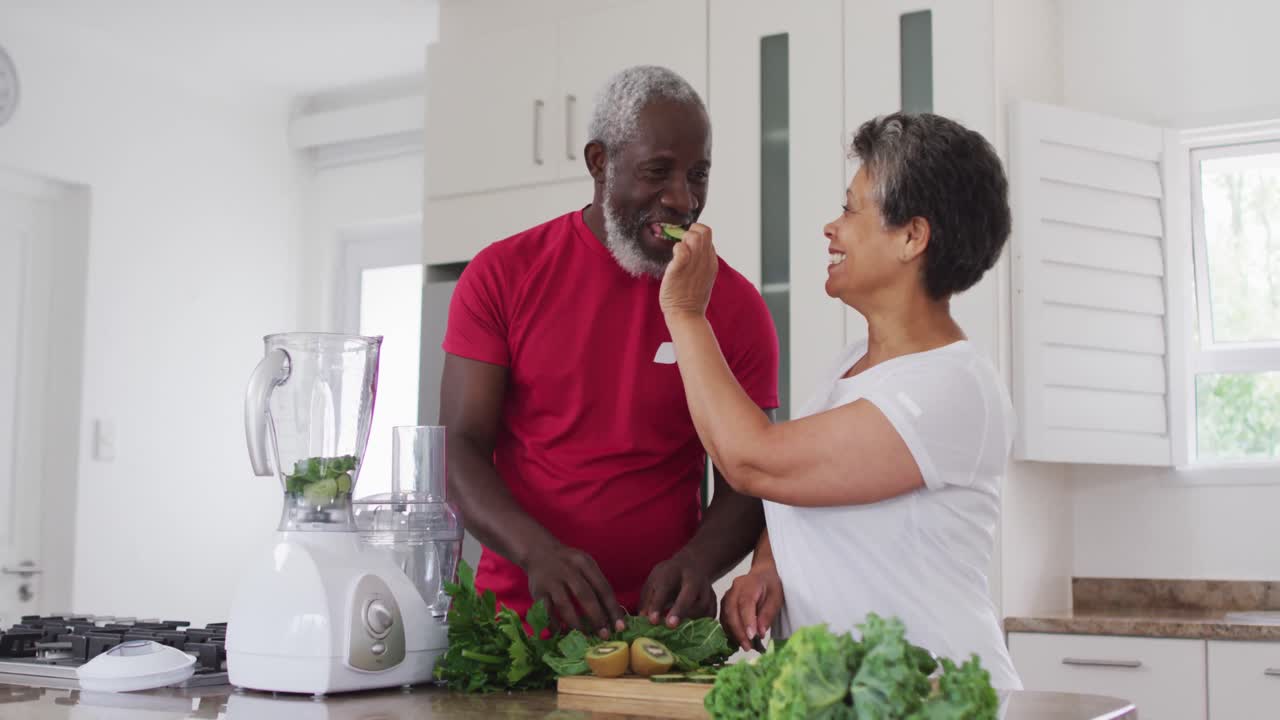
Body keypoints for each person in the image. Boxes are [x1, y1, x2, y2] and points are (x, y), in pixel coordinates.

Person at [657, 112, 1022, 689]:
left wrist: (685, 312)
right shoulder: (848, 367)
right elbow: (798, 491)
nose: (832, 227)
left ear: (912, 237)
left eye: (852, 210)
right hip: (848, 698)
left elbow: (751, 460)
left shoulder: (950, 388)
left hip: (935, 699)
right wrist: (770, 569)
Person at [439, 65, 780, 639]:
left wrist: (699, 562)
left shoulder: (736, 306)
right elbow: (458, 450)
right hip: (516, 630)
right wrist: (537, 553)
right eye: (658, 172)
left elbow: (750, 477)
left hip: (662, 638)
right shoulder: (501, 275)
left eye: (698, 175)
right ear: (599, 163)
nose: (683, 198)